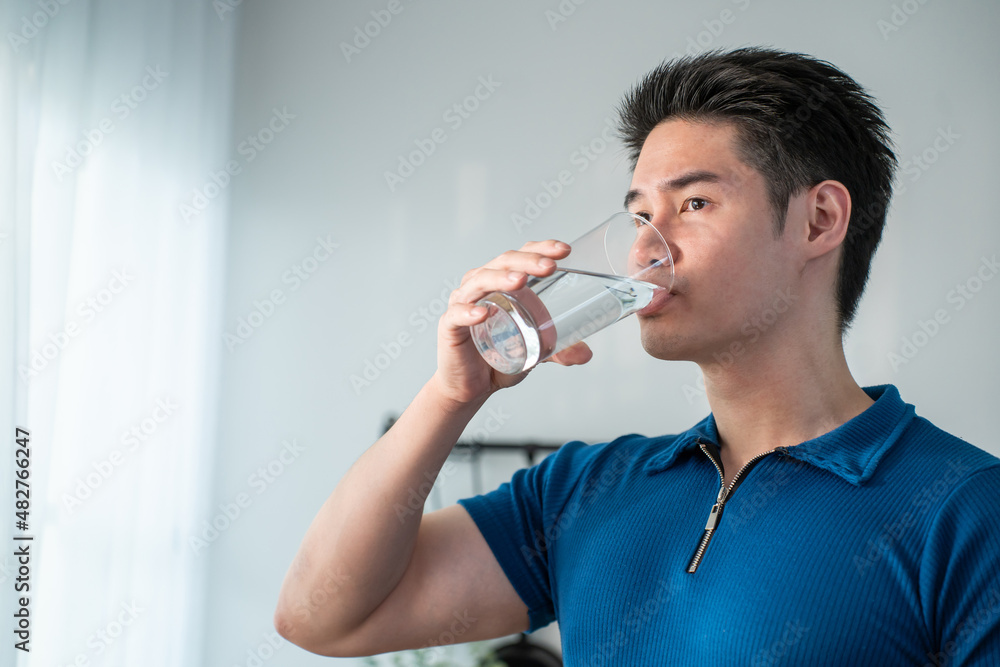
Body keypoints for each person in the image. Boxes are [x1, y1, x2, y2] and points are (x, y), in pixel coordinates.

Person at [273, 47, 1000, 664]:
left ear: (819, 220)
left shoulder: (967, 509)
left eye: (694, 204)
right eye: (641, 214)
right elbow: (323, 616)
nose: (647, 247)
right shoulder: (582, 492)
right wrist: (452, 395)